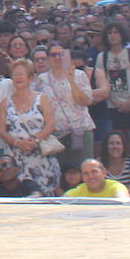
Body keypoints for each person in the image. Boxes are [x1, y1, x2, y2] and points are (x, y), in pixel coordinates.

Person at [0, 57, 59, 195]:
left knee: (43, 195)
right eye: (14, 75)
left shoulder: (42, 98)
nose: (18, 78)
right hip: (16, 157)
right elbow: (1, 131)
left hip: (40, 154)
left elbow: (51, 124)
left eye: (21, 74)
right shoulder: (5, 102)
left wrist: (34, 140)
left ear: (30, 77)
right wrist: (17, 143)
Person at [36, 40, 95, 170]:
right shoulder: (42, 79)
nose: (57, 58)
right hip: (57, 134)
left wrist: (72, 82)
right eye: (53, 55)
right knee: (61, 172)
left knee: (84, 170)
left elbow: (85, 101)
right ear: (48, 58)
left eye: (60, 54)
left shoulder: (79, 75)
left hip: (80, 130)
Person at [65, 157, 130, 198]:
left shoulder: (116, 187)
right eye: (86, 173)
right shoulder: (79, 191)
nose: (90, 176)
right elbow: (61, 203)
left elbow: (124, 202)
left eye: (94, 172)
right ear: (82, 177)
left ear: (104, 173)